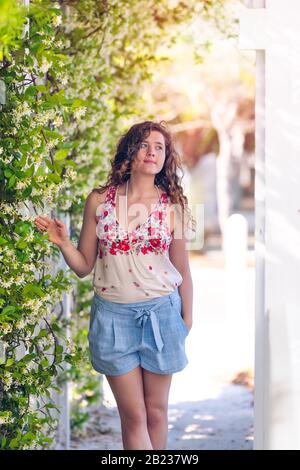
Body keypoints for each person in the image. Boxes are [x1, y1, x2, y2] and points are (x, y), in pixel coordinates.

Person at [34, 120, 196, 450]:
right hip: (113, 317)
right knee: (133, 416)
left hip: (162, 314)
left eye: (160, 147)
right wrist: (63, 243)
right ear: (129, 151)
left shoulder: (176, 206)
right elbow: (83, 267)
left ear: (166, 158)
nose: (152, 152)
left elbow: (183, 269)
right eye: (144, 145)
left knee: (156, 412)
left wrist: (186, 320)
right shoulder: (98, 200)